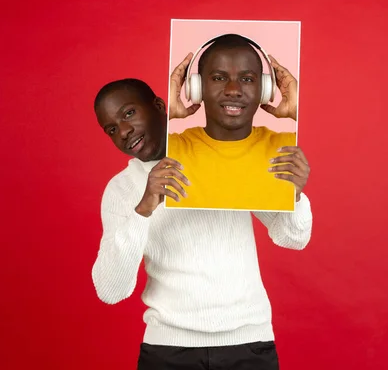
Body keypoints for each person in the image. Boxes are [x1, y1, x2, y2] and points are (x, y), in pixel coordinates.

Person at [91, 76, 313, 370]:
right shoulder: (121, 189)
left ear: (159, 105)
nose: (123, 131)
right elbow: (111, 290)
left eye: (129, 113)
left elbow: (292, 238)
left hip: (248, 344)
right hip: (167, 350)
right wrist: (143, 209)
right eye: (111, 129)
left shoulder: (227, 155)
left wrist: (294, 196)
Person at [166, 34, 301, 212]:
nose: (233, 91)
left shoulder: (291, 150)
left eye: (247, 80)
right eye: (219, 78)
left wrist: (297, 109)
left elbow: (293, 239)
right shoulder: (169, 148)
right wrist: (168, 111)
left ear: (265, 89)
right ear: (197, 88)